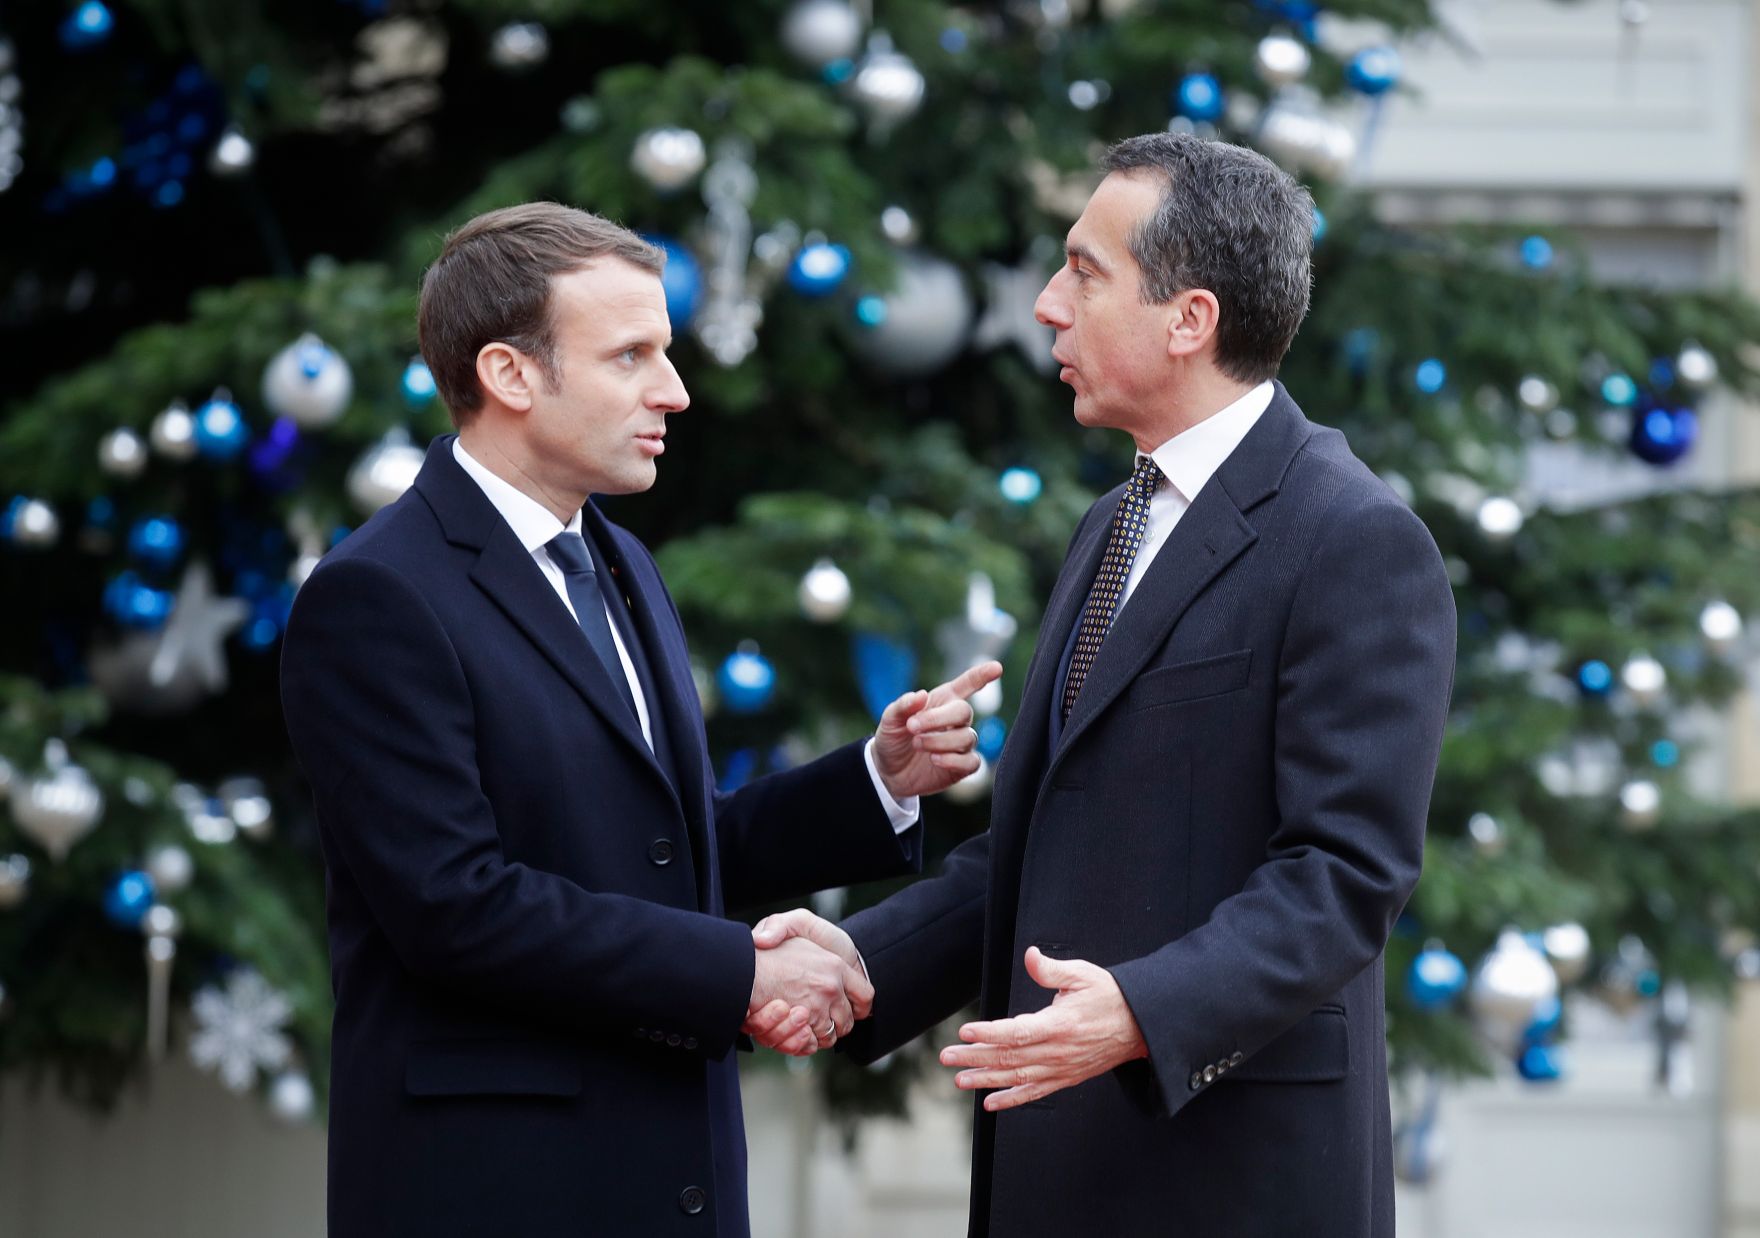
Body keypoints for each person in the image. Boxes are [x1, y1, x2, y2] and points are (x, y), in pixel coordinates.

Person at [753, 132, 1458, 1237]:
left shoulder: (1353, 537)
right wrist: (854, 965)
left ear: (1189, 320)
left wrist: (1139, 1011)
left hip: (1224, 1175)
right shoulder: (1112, 520)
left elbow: (1343, 872)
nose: (1044, 304)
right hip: (1055, 1162)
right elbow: (1039, 845)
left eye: (1083, 270)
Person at [279, 202, 1000, 1238]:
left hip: (674, 1170)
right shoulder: (376, 594)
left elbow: (663, 849)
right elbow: (454, 907)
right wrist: (742, 971)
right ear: (509, 374)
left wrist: (876, 780)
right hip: (499, 1187)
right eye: (631, 356)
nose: (674, 389)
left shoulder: (617, 558)